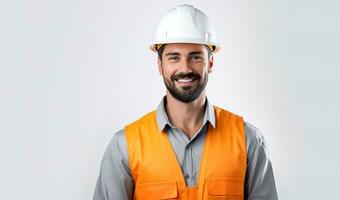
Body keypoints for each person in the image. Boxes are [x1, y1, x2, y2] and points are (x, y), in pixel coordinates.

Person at [93, 4, 278, 200]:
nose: (185, 68)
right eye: (174, 58)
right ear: (160, 66)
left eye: (196, 57)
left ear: (211, 63)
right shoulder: (124, 147)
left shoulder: (248, 141)